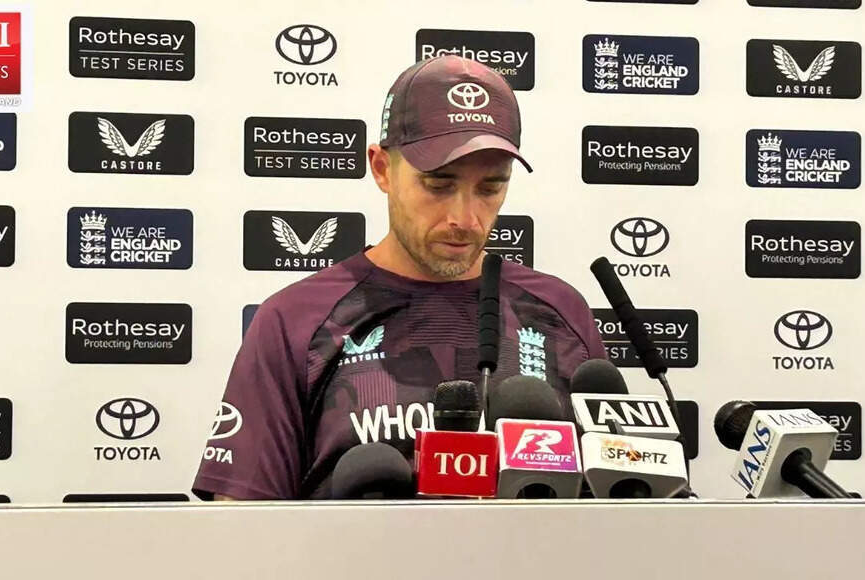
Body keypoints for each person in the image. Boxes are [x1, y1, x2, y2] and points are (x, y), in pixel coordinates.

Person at [192, 55, 605, 500]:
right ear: (382, 168)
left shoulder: (561, 312)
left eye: (490, 187)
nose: (465, 218)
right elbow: (242, 521)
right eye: (438, 184)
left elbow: (613, 505)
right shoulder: (294, 319)